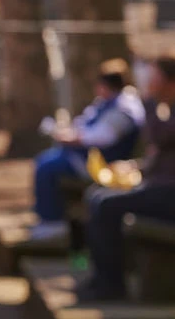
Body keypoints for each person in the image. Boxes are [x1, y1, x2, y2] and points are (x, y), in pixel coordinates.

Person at [77, 53, 175, 302]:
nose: (150, 84)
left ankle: (110, 285)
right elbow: (169, 154)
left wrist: (147, 101)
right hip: (174, 193)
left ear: (173, 83)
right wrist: (135, 167)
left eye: (154, 79)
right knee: (96, 197)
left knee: (106, 206)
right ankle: (102, 279)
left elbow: (159, 136)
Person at [29, 59, 145, 240]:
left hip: (102, 164)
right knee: (45, 161)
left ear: (104, 85)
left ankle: (53, 223)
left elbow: (104, 137)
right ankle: (47, 217)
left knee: (47, 168)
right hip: (86, 156)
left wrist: (74, 138)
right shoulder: (106, 102)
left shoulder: (124, 107)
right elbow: (85, 124)